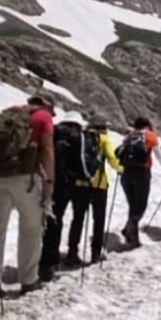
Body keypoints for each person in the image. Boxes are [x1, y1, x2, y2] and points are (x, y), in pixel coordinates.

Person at [0, 96, 56, 298]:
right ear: (47, 106)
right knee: (31, 228)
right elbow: (47, 149)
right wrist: (49, 181)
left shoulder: (8, 113)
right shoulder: (43, 117)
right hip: (26, 178)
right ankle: (28, 280)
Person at [65, 114, 121, 265]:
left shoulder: (81, 138)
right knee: (99, 219)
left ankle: (72, 251)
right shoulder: (103, 139)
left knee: (78, 218)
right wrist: (120, 168)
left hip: (79, 183)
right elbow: (111, 158)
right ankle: (95, 253)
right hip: (98, 184)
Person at [39, 119, 83, 281]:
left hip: (46, 181)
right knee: (61, 220)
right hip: (67, 185)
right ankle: (51, 261)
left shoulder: (52, 133)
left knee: (50, 221)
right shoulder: (76, 137)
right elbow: (80, 164)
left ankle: (42, 260)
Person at [116, 117, 161, 249]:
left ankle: (131, 235)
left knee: (132, 204)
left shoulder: (129, 136)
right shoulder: (150, 136)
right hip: (142, 173)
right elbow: (158, 154)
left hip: (126, 173)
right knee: (140, 205)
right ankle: (130, 230)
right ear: (147, 125)